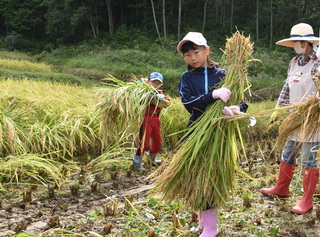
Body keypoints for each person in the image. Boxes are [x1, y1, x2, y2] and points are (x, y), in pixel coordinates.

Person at [177, 32, 248, 236]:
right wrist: (212, 96)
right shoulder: (187, 78)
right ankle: (202, 220)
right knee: (196, 177)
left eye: (196, 52)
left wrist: (236, 109)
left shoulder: (225, 74)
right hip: (196, 134)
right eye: (188, 54)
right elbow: (189, 105)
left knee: (211, 177)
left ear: (207, 50)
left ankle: (211, 227)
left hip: (220, 134)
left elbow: (243, 101)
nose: (192, 58)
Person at [260, 23, 320, 214]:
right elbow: (286, 88)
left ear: (307, 42)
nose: (296, 44)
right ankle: (281, 188)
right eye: (294, 41)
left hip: (312, 120)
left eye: (298, 41)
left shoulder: (318, 63)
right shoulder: (294, 62)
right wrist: (277, 111)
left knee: (309, 159)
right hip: (293, 118)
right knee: (288, 154)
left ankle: (306, 200)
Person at [132, 72, 170, 171]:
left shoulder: (160, 93)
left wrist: (159, 99)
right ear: (148, 81)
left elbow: (167, 103)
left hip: (156, 118)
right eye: (153, 82)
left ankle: (152, 159)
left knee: (157, 141)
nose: (155, 84)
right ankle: (137, 164)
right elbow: (136, 98)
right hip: (146, 118)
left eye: (158, 83)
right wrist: (150, 97)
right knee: (144, 142)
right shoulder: (142, 91)